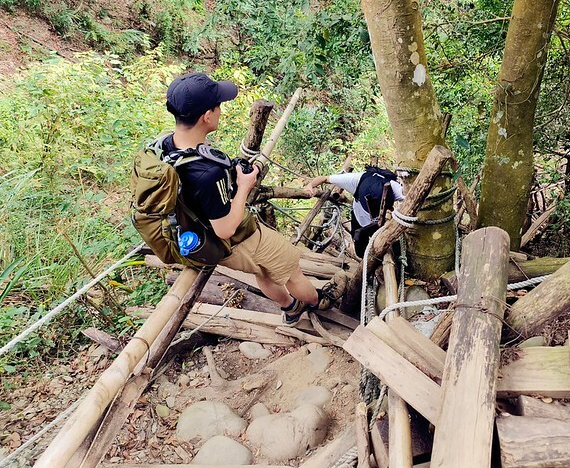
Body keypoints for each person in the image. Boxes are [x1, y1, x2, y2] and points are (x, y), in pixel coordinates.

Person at [163, 72, 347, 325]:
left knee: (264, 271)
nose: (220, 111)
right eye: (218, 107)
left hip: (195, 235)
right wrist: (243, 186)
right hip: (234, 238)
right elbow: (225, 228)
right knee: (290, 269)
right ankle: (319, 302)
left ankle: (290, 307)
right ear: (207, 116)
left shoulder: (166, 147)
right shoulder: (206, 174)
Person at [304, 166, 404, 257]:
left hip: (383, 222)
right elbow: (325, 178)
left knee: (387, 249)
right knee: (360, 251)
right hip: (359, 218)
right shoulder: (355, 180)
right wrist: (310, 185)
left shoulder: (395, 187)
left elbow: (410, 197)